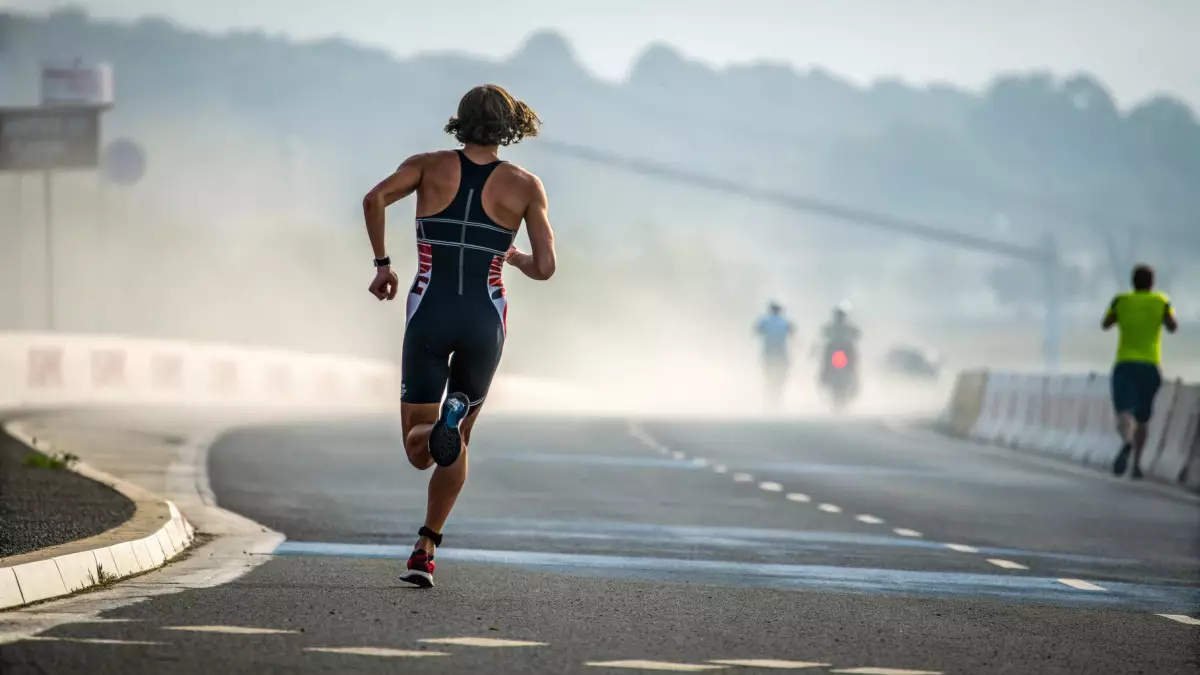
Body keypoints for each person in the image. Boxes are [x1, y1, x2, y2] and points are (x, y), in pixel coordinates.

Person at [362, 84, 557, 587]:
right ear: (509, 127)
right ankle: (426, 548)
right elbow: (547, 268)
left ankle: (440, 428)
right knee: (459, 443)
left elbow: (375, 198)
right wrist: (512, 257)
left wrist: (384, 265)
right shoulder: (526, 186)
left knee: (417, 447)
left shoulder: (428, 166)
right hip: (484, 321)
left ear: (460, 120)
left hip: (430, 312)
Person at [1102, 264, 1177, 479]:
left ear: (1132, 282)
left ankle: (1126, 441)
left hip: (1125, 363)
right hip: (1150, 366)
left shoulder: (1121, 301)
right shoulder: (1162, 301)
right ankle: (1136, 465)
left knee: (1124, 411)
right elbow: (1173, 326)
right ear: (1152, 283)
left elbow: (1106, 324)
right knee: (1143, 418)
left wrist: (1122, 316)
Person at [754, 301, 795, 403]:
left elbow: (756, 330)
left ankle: (770, 387)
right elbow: (792, 331)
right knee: (784, 371)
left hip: (769, 354)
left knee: (767, 372)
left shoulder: (765, 321)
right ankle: (778, 386)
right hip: (780, 354)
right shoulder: (784, 321)